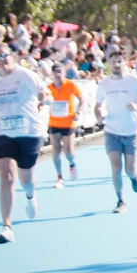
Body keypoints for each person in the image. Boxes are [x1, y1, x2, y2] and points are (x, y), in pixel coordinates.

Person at [0, 47, 49, 243]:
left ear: (13, 57)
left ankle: (30, 196)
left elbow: (45, 93)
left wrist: (44, 98)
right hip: (3, 131)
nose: (0, 59)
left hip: (28, 131)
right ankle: (7, 227)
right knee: (6, 178)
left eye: (4, 55)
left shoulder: (25, 75)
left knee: (26, 179)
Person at [95, 50, 137, 213]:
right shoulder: (104, 84)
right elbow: (97, 105)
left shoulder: (134, 80)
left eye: (119, 61)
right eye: (113, 62)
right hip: (111, 131)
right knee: (116, 167)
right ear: (109, 64)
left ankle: (134, 177)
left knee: (130, 169)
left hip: (131, 131)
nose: (116, 64)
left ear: (125, 63)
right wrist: (98, 114)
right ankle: (120, 201)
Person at [46, 59, 88, 187]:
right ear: (52, 74)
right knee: (56, 149)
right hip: (53, 122)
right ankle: (59, 177)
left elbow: (82, 99)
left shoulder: (70, 85)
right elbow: (41, 101)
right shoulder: (48, 88)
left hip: (68, 123)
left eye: (60, 71)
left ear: (64, 73)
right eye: (56, 72)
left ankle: (72, 163)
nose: (58, 74)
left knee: (68, 152)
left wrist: (78, 112)